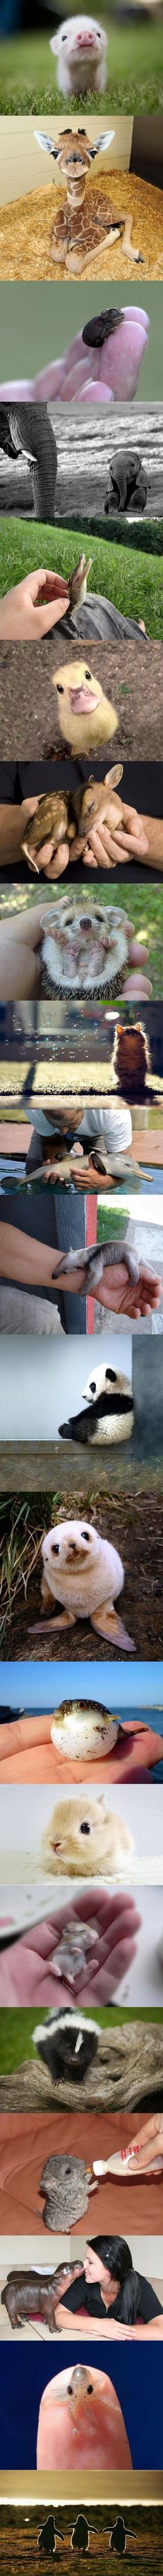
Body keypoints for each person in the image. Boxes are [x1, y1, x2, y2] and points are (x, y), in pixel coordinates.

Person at [53, 2233, 163, 2338]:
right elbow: (58, 2315)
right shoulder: (84, 2281)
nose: (84, 2266)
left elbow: (160, 2330)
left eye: (90, 2262)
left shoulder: (139, 2285)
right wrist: (98, 2325)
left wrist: (115, 2331)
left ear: (110, 2269)